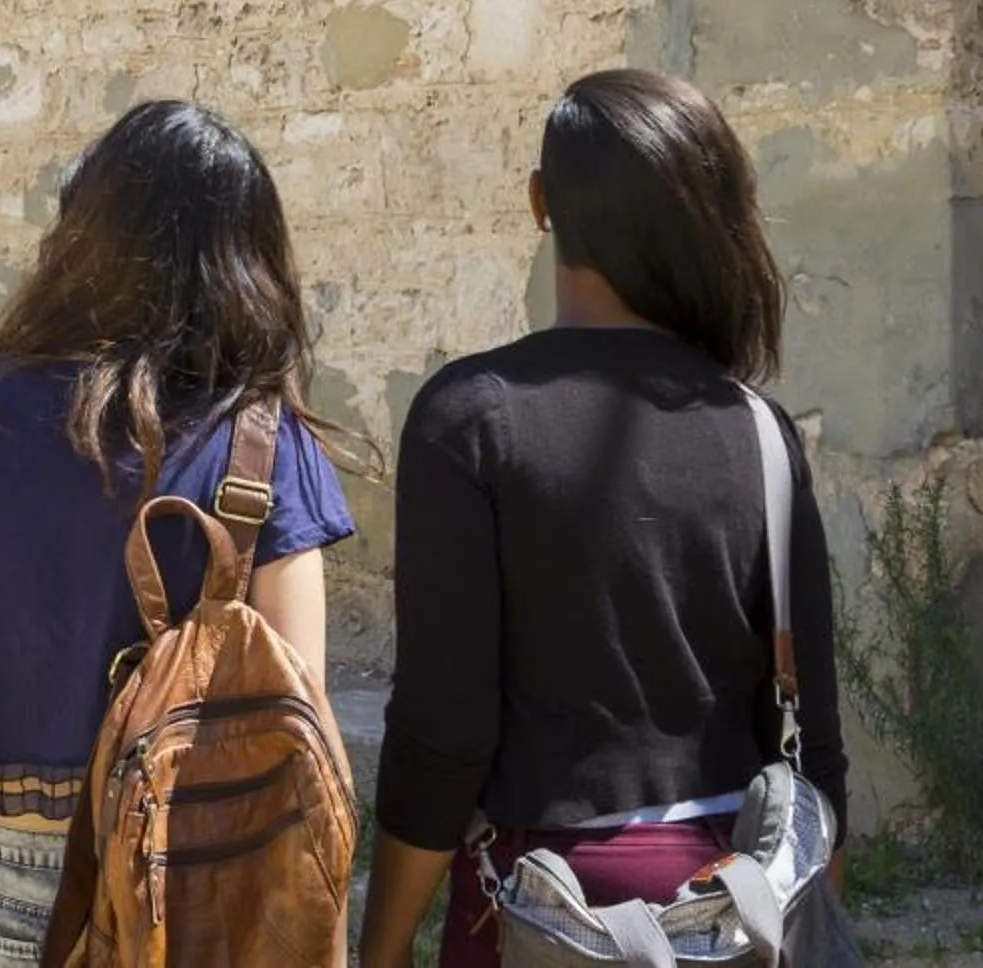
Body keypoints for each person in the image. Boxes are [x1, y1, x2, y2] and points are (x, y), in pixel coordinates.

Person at [361, 66, 849, 968]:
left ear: (540, 201)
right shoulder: (760, 430)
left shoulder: (470, 418)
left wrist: (381, 946)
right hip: (739, 905)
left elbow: (445, 732)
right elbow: (813, 740)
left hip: (546, 908)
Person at [0, 98, 354, 967]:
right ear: (244, 262)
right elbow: (302, 743)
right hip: (212, 880)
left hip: (17, 881)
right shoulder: (263, 448)